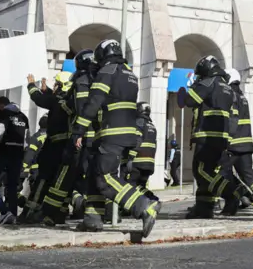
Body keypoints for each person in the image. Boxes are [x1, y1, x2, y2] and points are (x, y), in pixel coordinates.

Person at [71, 39, 158, 235]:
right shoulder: (129, 73)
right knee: (95, 174)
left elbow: (94, 102)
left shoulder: (108, 71)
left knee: (105, 177)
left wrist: (79, 130)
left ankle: (143, 206)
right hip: (128, 133)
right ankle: (92, 218)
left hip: (112, 132)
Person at [41, 49, 96, 225]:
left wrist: (78, 133)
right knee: (93, 177)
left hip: (80, 138)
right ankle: (93, 212)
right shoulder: (99, 80)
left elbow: (79, 109)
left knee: (64, 176)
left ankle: (52, 214)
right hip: (97, 138)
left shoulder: (80, 81)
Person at [178, 55, 235, 219]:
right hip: (221, 136)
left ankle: (231, 193)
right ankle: (204, 208)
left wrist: (187, 89)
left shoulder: (208, 82)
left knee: (201, 170)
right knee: (207, 171)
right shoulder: (226, 86)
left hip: (207, 134)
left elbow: (189, 101)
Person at [23, 71, 74, 222]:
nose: (55, 87)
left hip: (53, 148)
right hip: (67, 148)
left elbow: (39, 99)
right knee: (61, 181)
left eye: (56, 84)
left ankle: (30, 212)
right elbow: (54, 99)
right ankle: (58, 214)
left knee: (43, 179)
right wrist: (48, 90)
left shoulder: (57, 101)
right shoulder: (70, 100)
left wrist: (32, 85)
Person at [223, 71, 253, 213]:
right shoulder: (242, 96)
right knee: (248, 174)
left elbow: (232, 120)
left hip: (234, 143)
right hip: (245, 143)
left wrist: (225, 140)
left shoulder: (230, 95)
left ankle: (237, 198)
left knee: (223, 173)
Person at [0, 95, 28, 225]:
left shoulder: (3, 114)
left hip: (3, 152)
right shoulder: (24, 117)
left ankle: (3, 211)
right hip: (18, 154)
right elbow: (26, 140)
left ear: (1, 106)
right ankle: (12, 215)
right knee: (12, 186)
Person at [130, 103, 158, 192]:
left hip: (138, 161)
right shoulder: (152, 126)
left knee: (131, 187)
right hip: (149, 163)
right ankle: (150, 202)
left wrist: (130, 157)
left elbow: (137, 140)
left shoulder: (139, 122)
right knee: (141, 187)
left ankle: (152, 201)